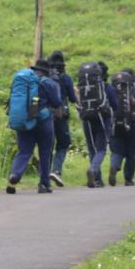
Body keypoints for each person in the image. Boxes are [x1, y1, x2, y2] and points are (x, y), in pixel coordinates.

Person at [7, 58, 63, 194]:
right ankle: (44, 184)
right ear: (47, 71)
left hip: (26, 120)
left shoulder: (24, 81)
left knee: (24, 151)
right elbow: (56, 102)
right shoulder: (48, 82)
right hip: (44, 122)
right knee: (45, 152)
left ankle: (14, 176)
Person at [78, 61, 113, 188]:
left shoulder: (84, 86)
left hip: (86, 118)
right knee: (102, 149)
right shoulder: (106, 87)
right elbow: (114, 105)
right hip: (101, 118)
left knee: (92, 149)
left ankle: (97, 180)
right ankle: (93, 169)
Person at [47, 50, 77, 188]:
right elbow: (72, 98)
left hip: (45, 116)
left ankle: (44, 175)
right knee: (63, 144)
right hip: (61, 116)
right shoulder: (66, 78)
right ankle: (56, 170)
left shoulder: (45, 76)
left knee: (47, 145)